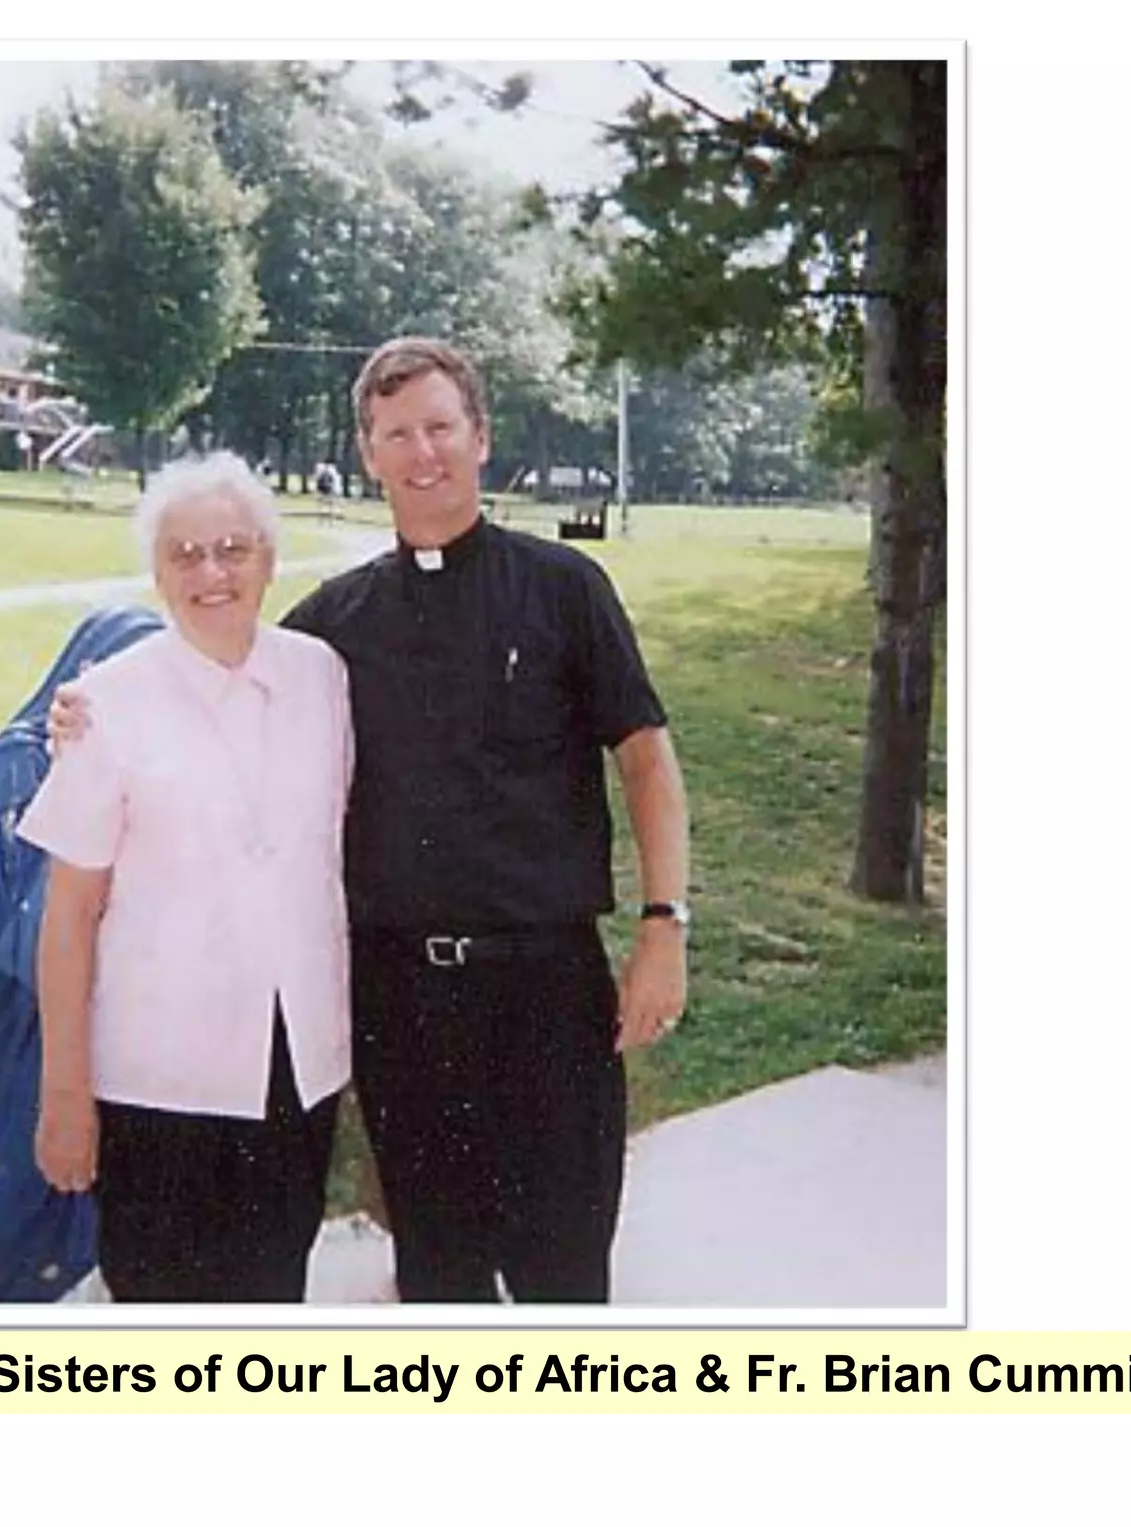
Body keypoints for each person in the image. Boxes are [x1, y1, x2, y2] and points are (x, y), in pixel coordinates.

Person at [54, 338, 689, 1303]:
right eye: (399, 434)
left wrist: (663, 927)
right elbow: (218, 648)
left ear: (480, 437)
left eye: (441, 427)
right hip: (402, 1009)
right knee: (437, 1277)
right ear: (369, 454)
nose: (422, 452)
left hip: (546, 993)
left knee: (566, 1277)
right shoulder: (334, 629)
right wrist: (76, 708)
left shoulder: (566, 590)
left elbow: (646, 760)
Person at [16, 452, 355, 1302]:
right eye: (186, 555)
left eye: (234, 549)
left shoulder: (321, 676)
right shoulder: (108, 702)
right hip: (156, 1080)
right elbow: (70, 915)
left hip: (294, 1069)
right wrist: (64, 1092)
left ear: (270, 561)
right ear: (157, 575)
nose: (212, 572)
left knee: (271, 1305)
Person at [0, 604, 164, 1303]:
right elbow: (35, 921)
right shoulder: (21, 762)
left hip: (124, 1019)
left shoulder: (142, 755)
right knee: (32, 1180)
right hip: (39, 1012)